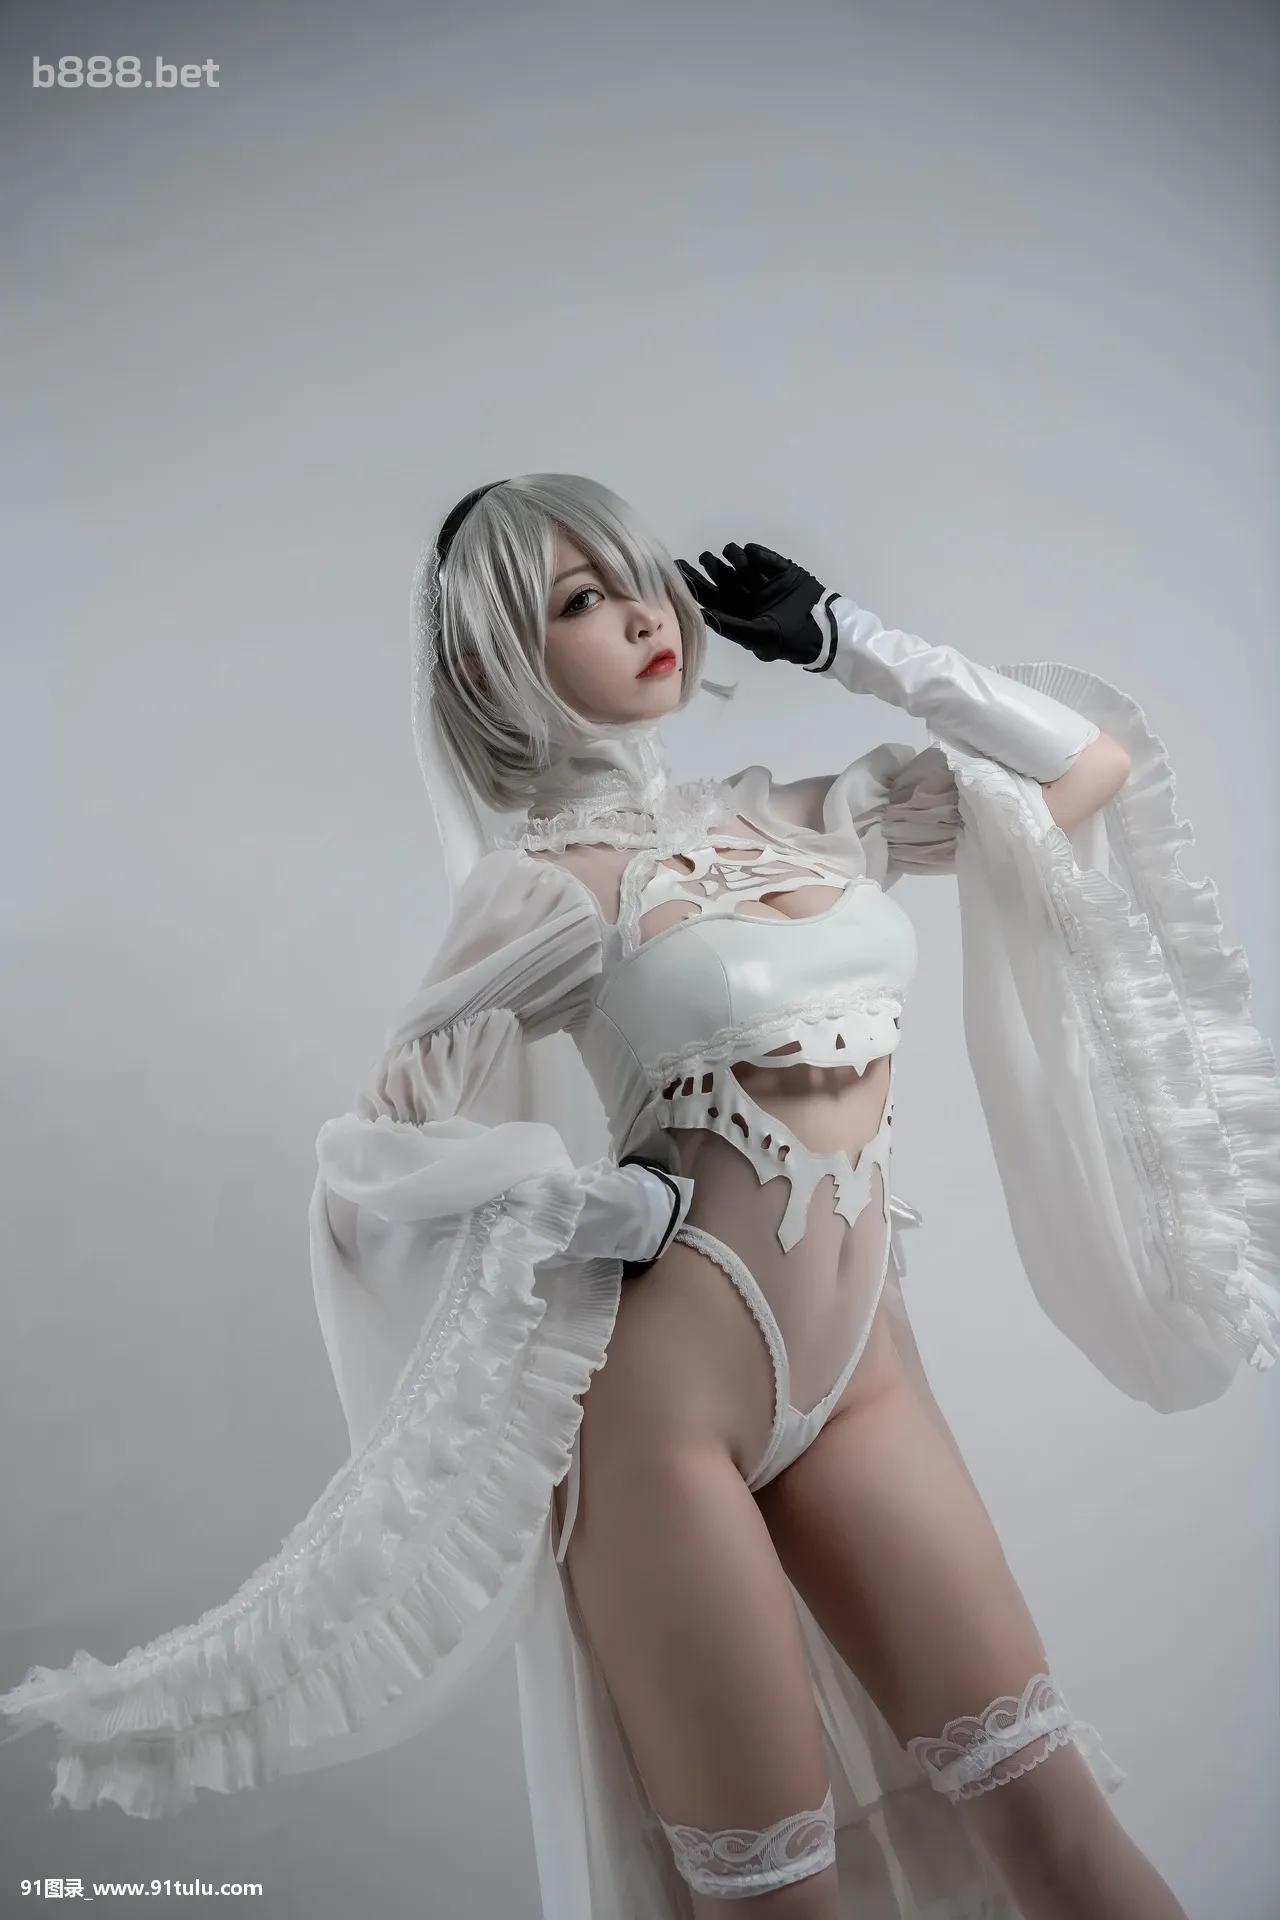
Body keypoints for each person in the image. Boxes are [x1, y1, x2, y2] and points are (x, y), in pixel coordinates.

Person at [3, 475, 1277, 1920]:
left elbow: (1080, 770)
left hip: (864, 1383)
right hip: (661, 1422)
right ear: (498, 662)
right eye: (579, 601)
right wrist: (572, 1206)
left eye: (633, 577)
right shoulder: (537, 890)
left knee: (1059, 1831)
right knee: (777, 1902)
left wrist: (848, 640)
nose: (640, 615)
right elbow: (377, 1156)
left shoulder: (798, 822)